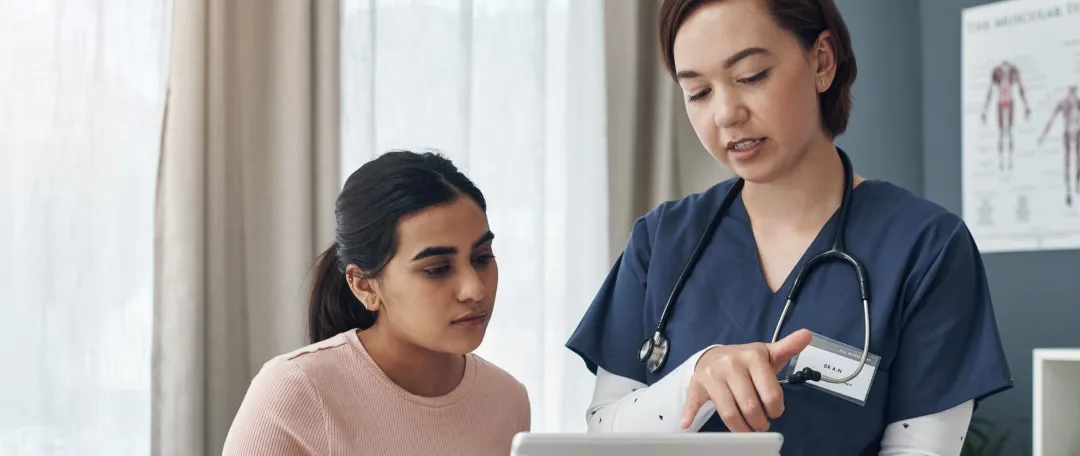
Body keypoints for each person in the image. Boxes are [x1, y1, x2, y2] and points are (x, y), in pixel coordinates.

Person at [565, 1, 1012, 455]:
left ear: (822, 61)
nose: (725, 114)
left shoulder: (926, 247)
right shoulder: (661, 240)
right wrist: (697, 376)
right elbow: (604, 434)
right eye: (698, 92)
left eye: (752, 76)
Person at [222, 151, 531, 455]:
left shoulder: (507, 399)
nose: (474, 289)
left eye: (482, 258)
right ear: (364, 285)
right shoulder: (296, 391)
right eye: (437, 269)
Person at [981, 59, 1031, 171]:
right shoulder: (996, 72)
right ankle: (1001, 162)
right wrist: (985, 109)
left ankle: (1010, 161)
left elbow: (1020, 89)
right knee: (1001, 133)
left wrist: (1026, 105)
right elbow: (990, 90)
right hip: (1001, 101)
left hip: (1009, 101)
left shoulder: (1014, 72)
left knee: (1009, 132)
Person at [1037, 85, 1080, 205]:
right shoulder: (1064, 103)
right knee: (1068, 161)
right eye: (1072, 91)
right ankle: (1068, 192)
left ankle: (1076, 184)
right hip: (1068, 132)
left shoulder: (1077, 102)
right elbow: (1052, 119)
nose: (1073, 94)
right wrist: (1043, 136)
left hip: (1077, 132)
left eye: (1074, 91)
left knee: (1077, 159)